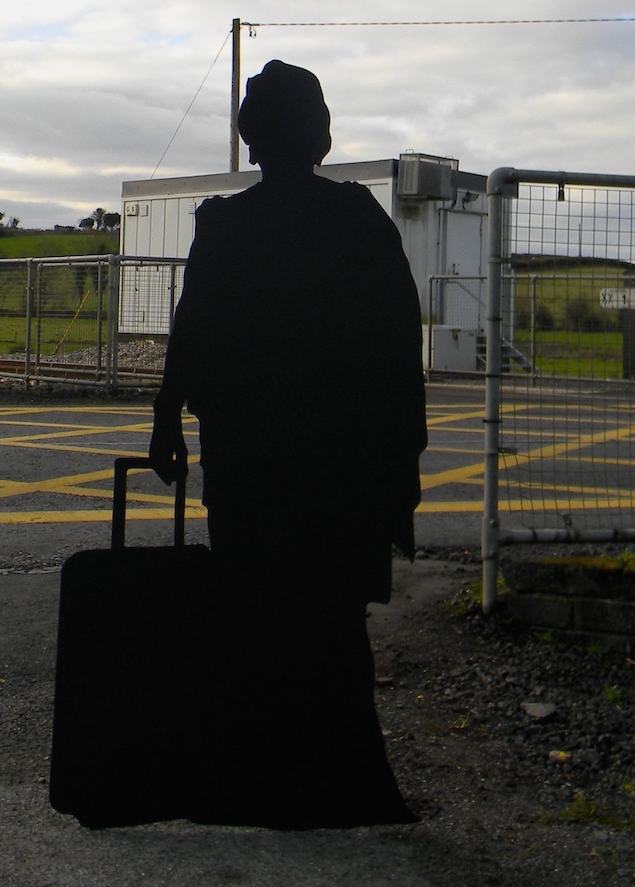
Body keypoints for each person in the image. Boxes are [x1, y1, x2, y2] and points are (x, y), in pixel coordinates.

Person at [148, 59, 427, 829]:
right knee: (333, 624)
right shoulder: (357, 220)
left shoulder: (226, 226)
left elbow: (192, 330)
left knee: (252, 611)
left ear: (253, 137)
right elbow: (398, 345)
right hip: (340, 463)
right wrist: (400, 463)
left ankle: (255, 779)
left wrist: (167, 418)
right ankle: (342, 781)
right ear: (319, 135)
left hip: (249, 456)